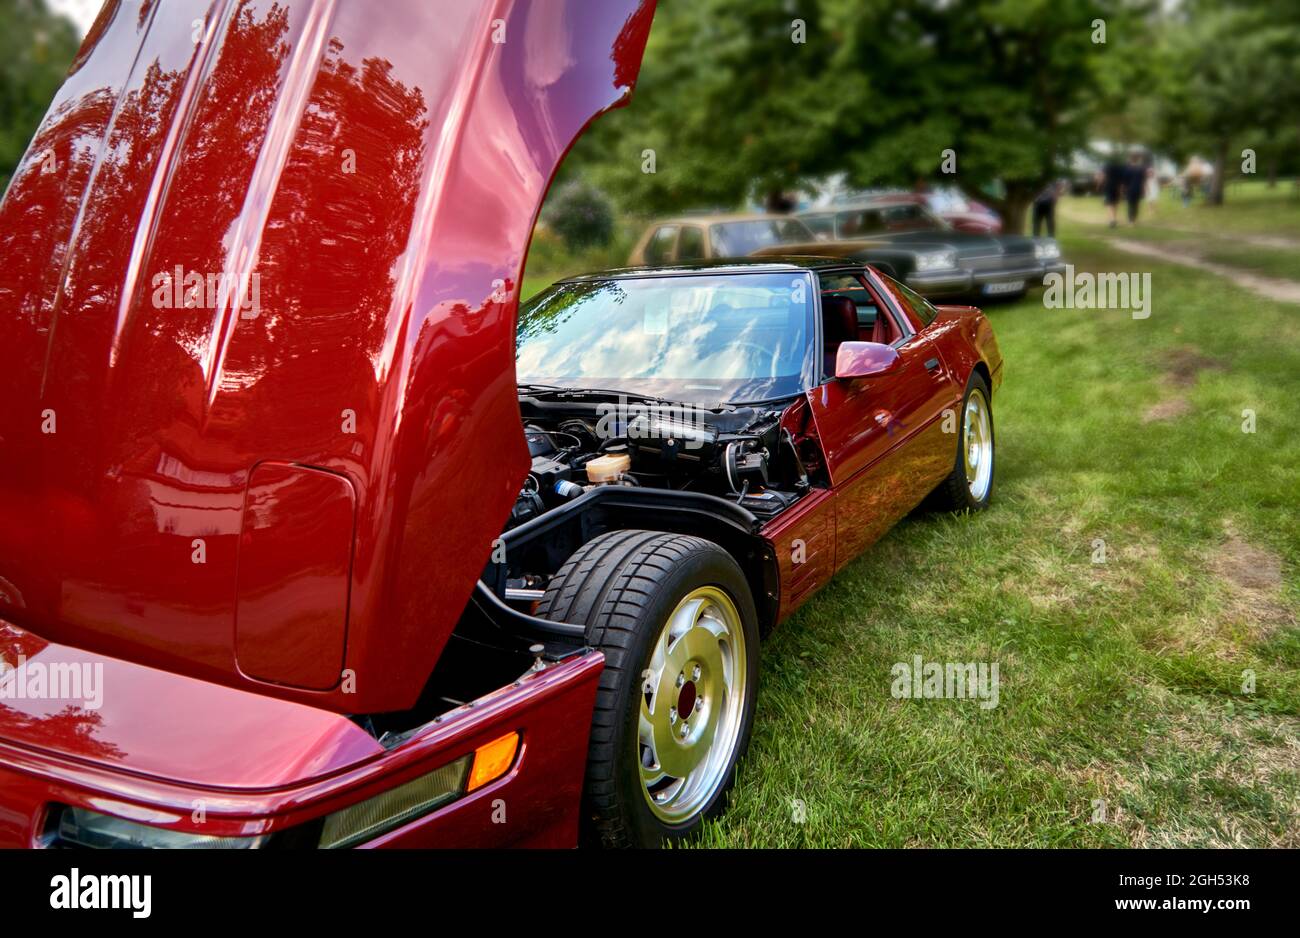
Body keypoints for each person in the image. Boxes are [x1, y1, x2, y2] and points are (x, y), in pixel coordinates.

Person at [1123, 148, 1146, 225]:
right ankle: (1133, 219)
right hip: (1137, 188)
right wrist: (1143, 190)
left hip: (1129, 188)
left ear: (1131, 158)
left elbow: (1124, 179)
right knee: (1136, 205)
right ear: (1137, 159)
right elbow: (1143, 180)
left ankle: (1131, 221)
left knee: (1130, 204)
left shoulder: (1127, 167)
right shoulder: (1141, 168)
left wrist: (1123, 188)